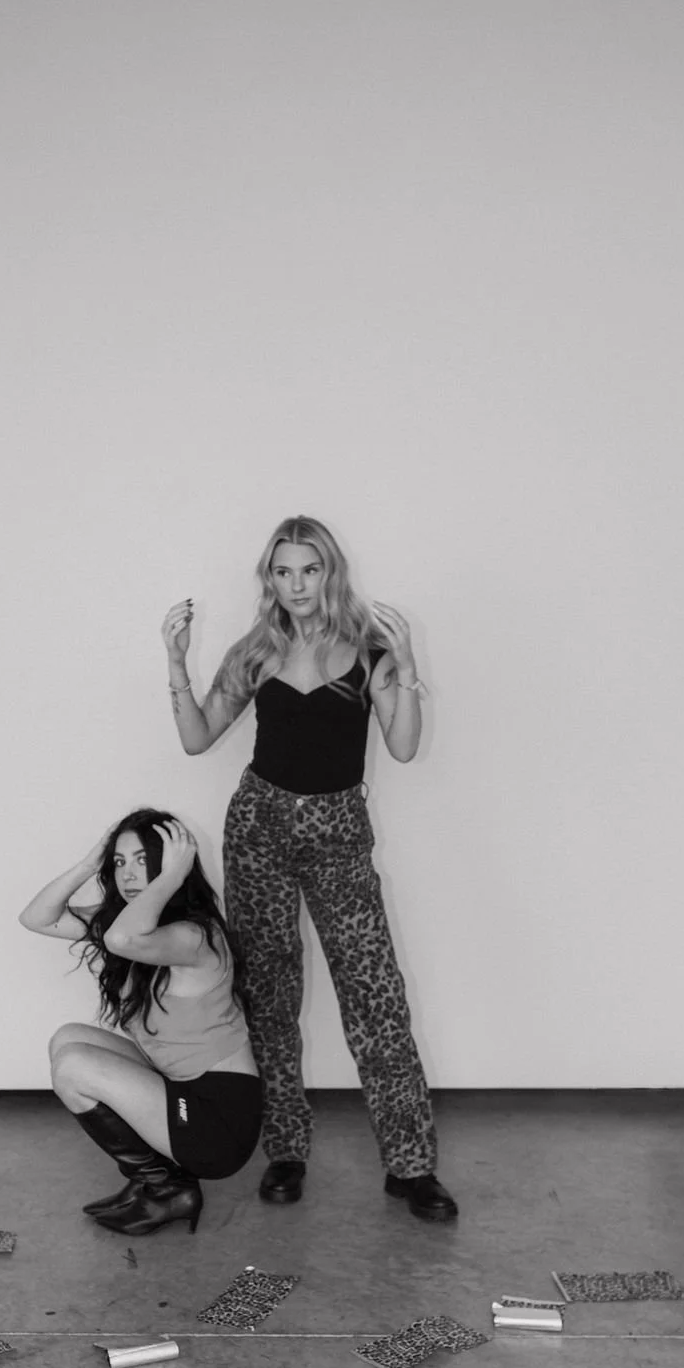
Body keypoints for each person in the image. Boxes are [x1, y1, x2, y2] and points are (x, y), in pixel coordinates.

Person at [160, 516, 458, 1222]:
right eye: (283, 572)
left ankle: (411, 1168)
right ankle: (285, 1152)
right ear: (270, 578)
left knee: (376, 997)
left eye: (309, 570)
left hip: (337, 833)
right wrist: (175, 663)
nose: (295, 585)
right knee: (268, 995)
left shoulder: (370, 649)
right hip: (259, 827)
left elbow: (406, 747)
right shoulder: (256, 651)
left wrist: (409, 668)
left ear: (331, 573)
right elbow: (198, 739)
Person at [19, 810, 261, 1236]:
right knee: (68, 1041)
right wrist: (90, 863)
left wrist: (169, 878)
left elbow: (121, 939)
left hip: (217, 1118)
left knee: (75, 1066)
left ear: (172, 864)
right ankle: (155, 1180)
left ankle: (167, 1188)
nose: (128, 874)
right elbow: (36, 918)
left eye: (143, 861)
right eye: (120, 862)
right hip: (179, 1087)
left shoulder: (196, 934)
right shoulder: (130, 922)